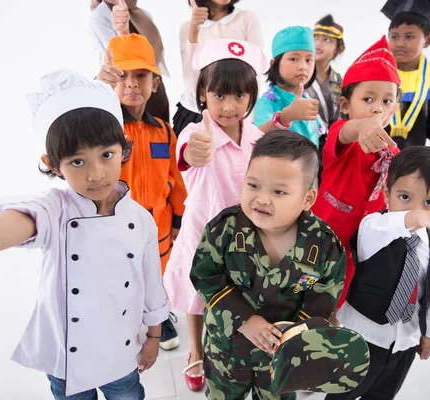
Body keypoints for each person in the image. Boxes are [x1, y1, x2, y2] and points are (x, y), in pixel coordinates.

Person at [0, 70, 170, 399]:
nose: (95, 173)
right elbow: (28, 218)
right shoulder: (58, 208)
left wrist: (155, 337)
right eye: (77, 162)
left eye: (106, 155)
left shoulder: (140, 219)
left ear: (123, 149)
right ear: (53, 165)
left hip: (121, 348)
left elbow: (151, 285)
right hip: (66, 356)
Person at [190, 130, 346, 399]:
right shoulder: (224, 229)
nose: (262, 198)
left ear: (307, 199)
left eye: (278, 191)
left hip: (282, 359)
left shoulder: (324, 246)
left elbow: (322, 299)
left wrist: (303, 339)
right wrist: (244, 319)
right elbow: (205, 276)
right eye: (253, 185)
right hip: (227, 350)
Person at [162, 38, 267, 391]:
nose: (229, 105)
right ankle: (195, 349)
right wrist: (195, 151)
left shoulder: (254, 137)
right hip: (203, 235)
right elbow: (189, 153)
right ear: (203, 94)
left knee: (233, 295)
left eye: (239, 96)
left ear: (251, 98)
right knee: (197, 297)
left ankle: (228, 349)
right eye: (219, 95)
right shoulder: (196, 132)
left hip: (244, 238)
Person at [326, 146, 430, 399]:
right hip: (361, 338)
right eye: (405, 197)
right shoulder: (374, 227)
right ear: (387, 194)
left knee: (383, 394)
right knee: (341, 395)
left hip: (405, 343)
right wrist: (421, 214)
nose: (416, 208)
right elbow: (394, 224)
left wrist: (427, 333)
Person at [106, 33, 187, 351]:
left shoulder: (164, 131)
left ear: (155, 82)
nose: (131, 84)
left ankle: (158, 316)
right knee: (118, 275)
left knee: (157, 274)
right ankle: (120, 319)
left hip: (158, 225)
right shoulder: (105, 131)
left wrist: (179, 219)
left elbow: (176, 179)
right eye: (122, 75)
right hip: (115, 225)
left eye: (140, 75)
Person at [311, 36, 401, 319]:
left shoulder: (393, 151)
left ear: (395, 108)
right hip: (323, 239)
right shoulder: (342, 133)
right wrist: (362, 126)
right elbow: (349, 132)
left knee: (346, 300)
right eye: (368, 99)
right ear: (346, 105)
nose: (377, 108)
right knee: (313, 295)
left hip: (363, 243)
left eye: (386, 101)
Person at [172, 0, 263, 136]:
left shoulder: (246, 19)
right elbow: (191, 82)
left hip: (235, 111)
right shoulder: (188, 27)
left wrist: (245, 112)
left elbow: (255, 70)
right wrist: (194, 34)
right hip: (196, 112)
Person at [382, 0, 430, 149]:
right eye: (395, 36)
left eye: (409, 37)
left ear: (427, 40)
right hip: (372, 160)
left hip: (414, 161)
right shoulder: (375, 74)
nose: (400, 44)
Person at [89, 0, 171, 121]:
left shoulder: (143, 15)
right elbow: (116, 58)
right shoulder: (100, 15)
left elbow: (153, 55)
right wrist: (123, 31)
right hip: (123, 88)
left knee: (161, 133)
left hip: (150, 84)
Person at [254, 26, 326, 149]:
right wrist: (286, 117)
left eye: (309, 60)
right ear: (273, 64)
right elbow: (258, 137)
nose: (303, 66)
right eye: (293, 59)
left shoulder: (308, 100)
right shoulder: (267, 102)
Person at [308, 14, 345, 131]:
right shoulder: (299, 74)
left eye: (327, 40)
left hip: (330, 142)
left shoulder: (340, 82)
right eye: (315, 37)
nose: (318, 43)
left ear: (339, 49)